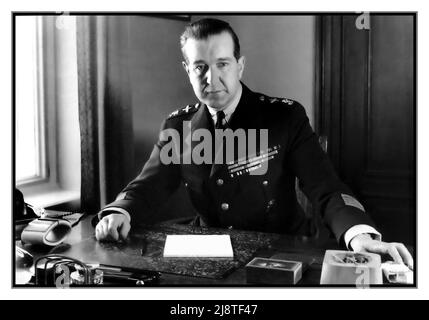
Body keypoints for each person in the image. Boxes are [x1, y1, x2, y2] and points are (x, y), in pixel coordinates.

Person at [94, 18, 413, 269]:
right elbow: (149, 185)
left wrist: (359, 235)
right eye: (200, 67)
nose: (211, 79)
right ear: (187, 70)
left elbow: (326, 186)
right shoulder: (179, 126)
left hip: (282, 249)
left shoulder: (284, 118)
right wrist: (120, 211)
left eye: (222, 64)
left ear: (240, 65)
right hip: (206, 254)